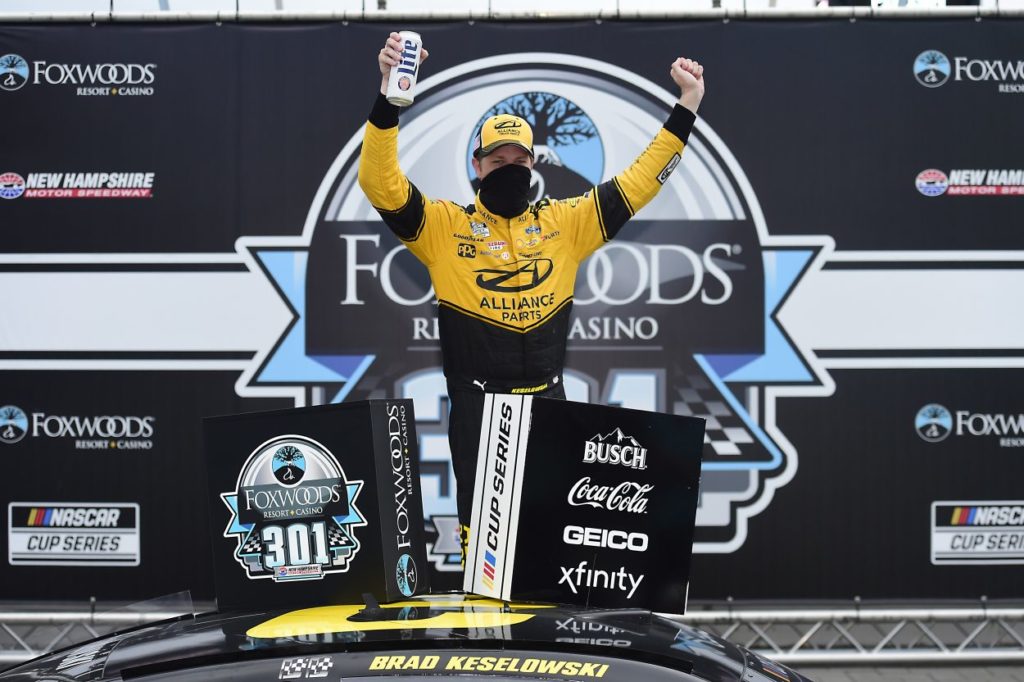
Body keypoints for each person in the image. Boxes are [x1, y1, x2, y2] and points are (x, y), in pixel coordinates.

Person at [359, 31, 705, 558]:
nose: (509, 169)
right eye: (497, 162)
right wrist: (389, 99)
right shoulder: (444, 227)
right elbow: (379, 184)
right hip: (479, 408)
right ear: (477, 167)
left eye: (518, 161)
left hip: (547, 403)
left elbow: (642, 181)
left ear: (533, 166)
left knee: (550, 550)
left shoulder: (566, 223)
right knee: (486, 555)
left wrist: (688, 106)